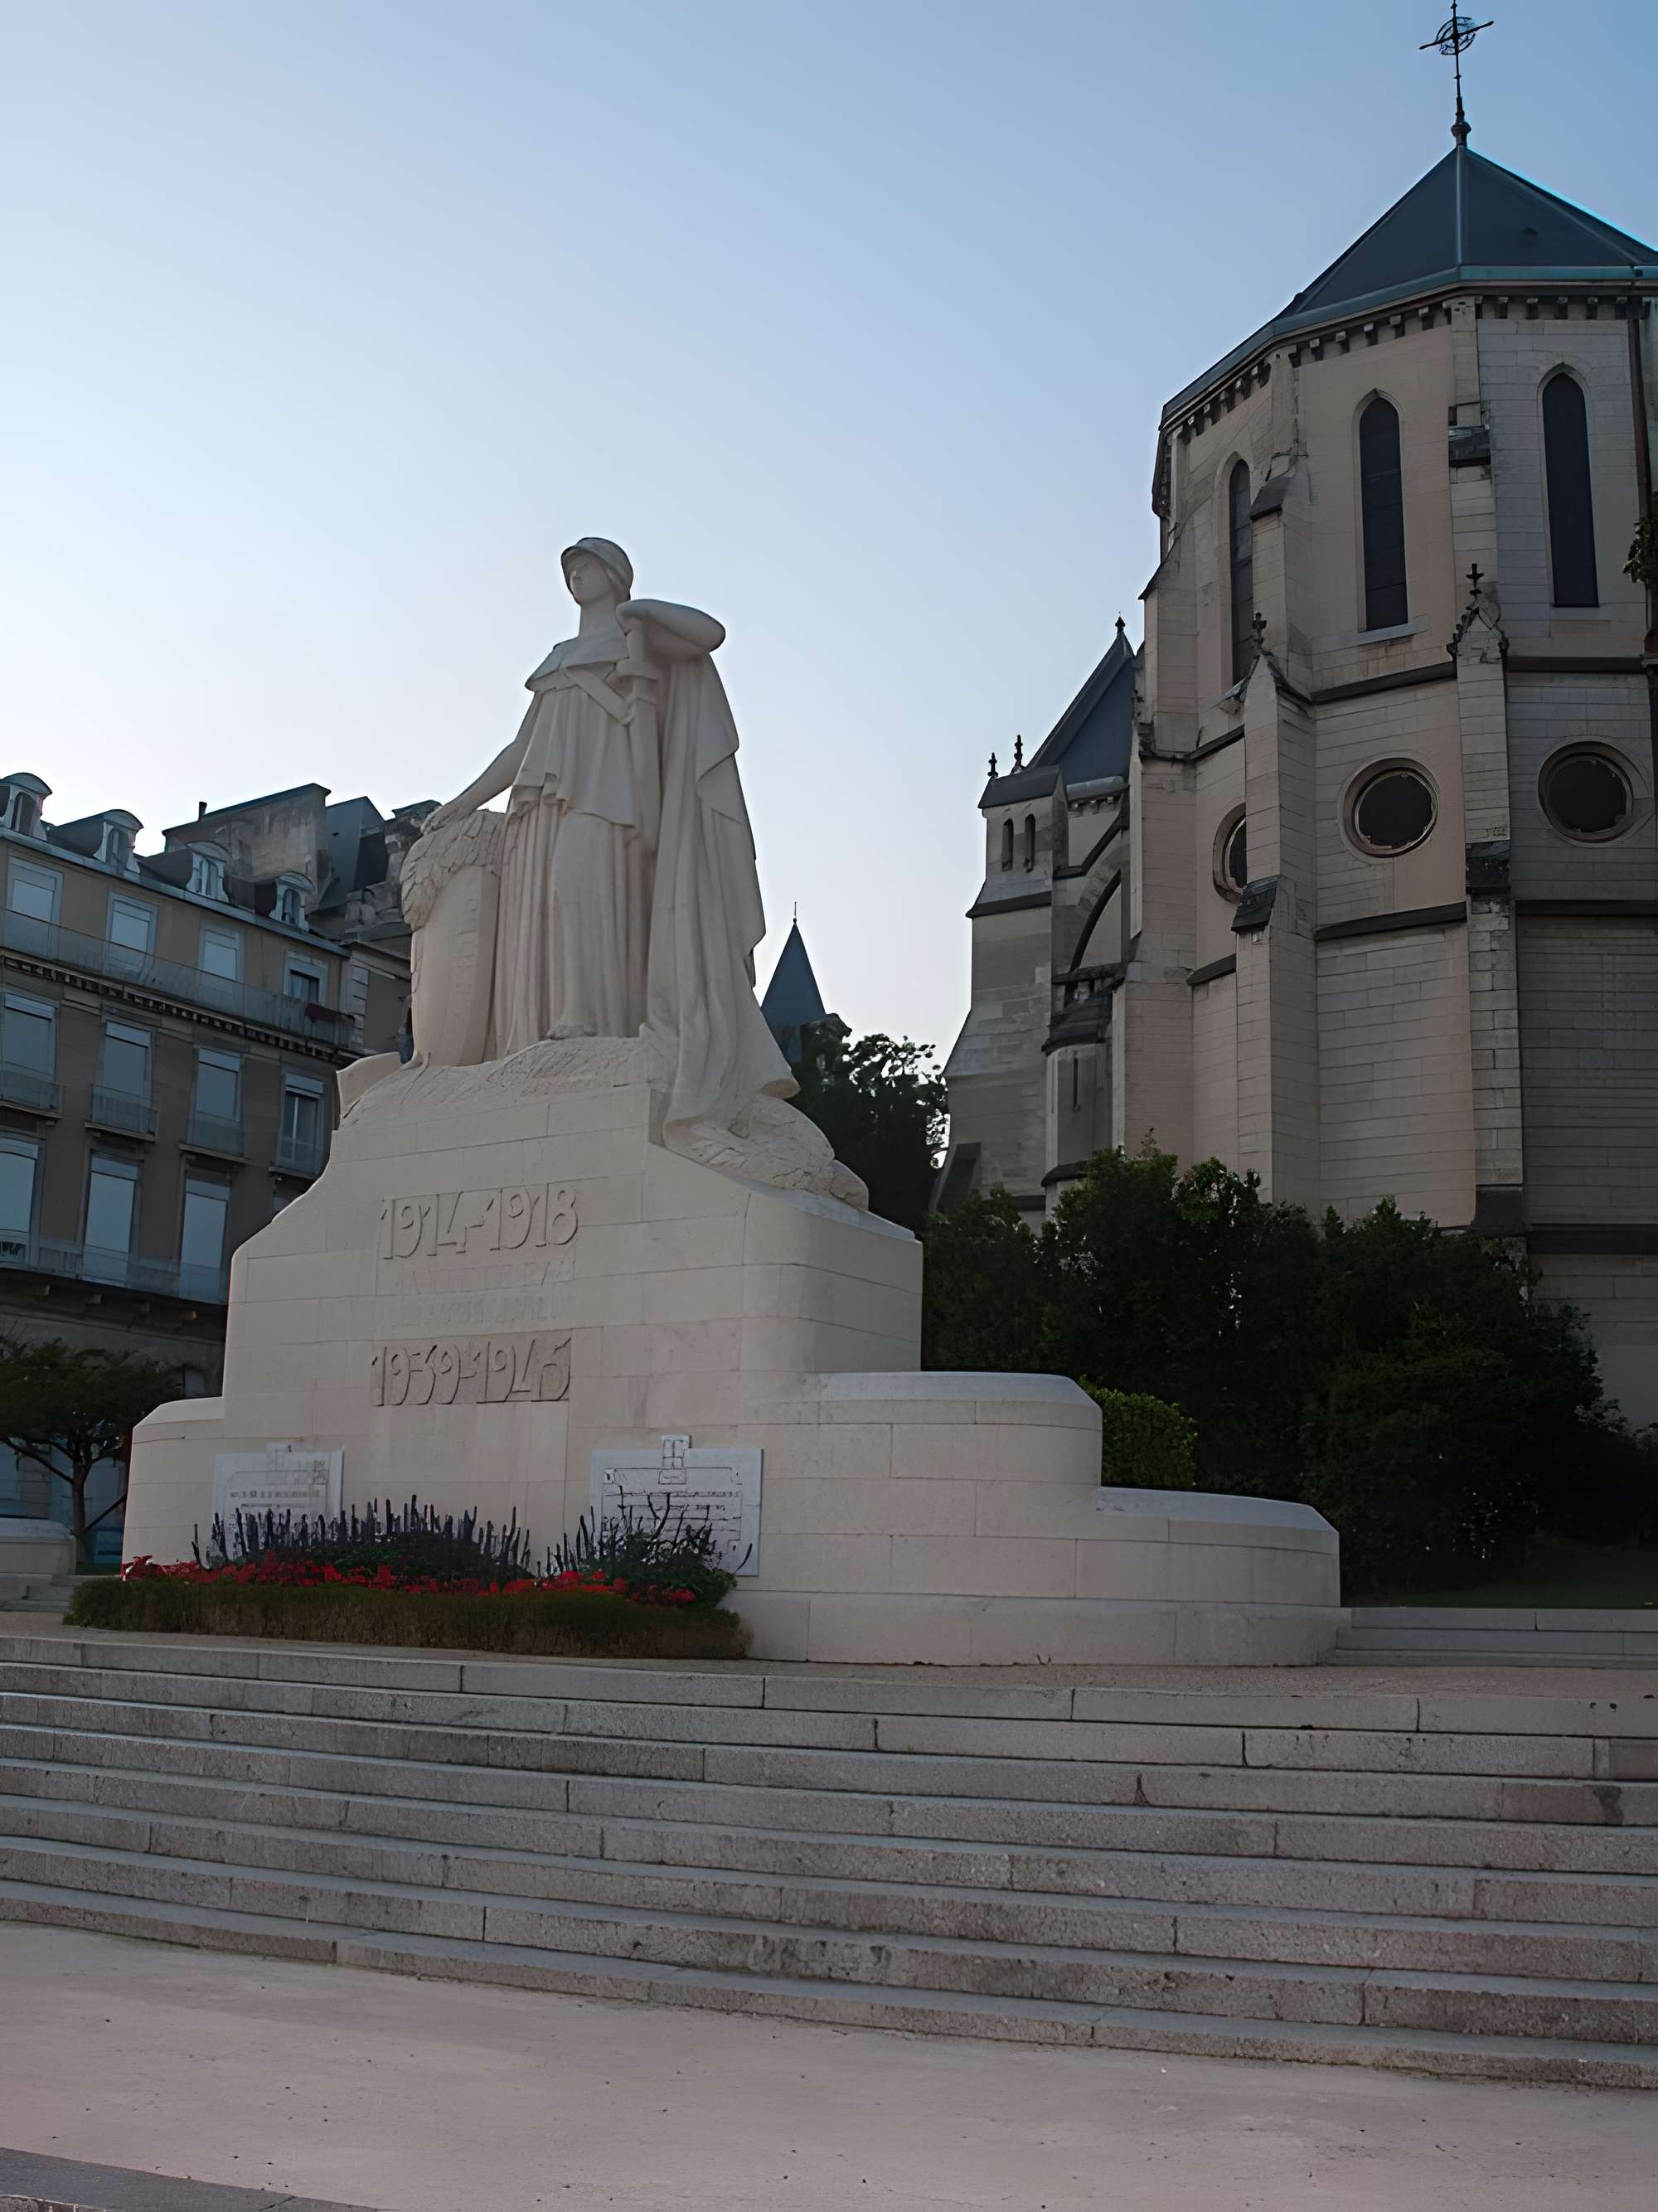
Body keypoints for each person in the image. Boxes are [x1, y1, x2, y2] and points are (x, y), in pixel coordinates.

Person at [424, 536, 793, 1147]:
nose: (576, 574)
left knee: (579, 888)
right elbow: (521, 751)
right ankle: (546, 1031)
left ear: (616, 575)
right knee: (544, 915)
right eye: (570, 566)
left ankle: (591, 1019)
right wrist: (465, 800)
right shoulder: (558, 659)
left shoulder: (634, 637)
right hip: (542, 806)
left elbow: (710, 634)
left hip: (609, 800)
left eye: (588, 564)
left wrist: (641, 614)